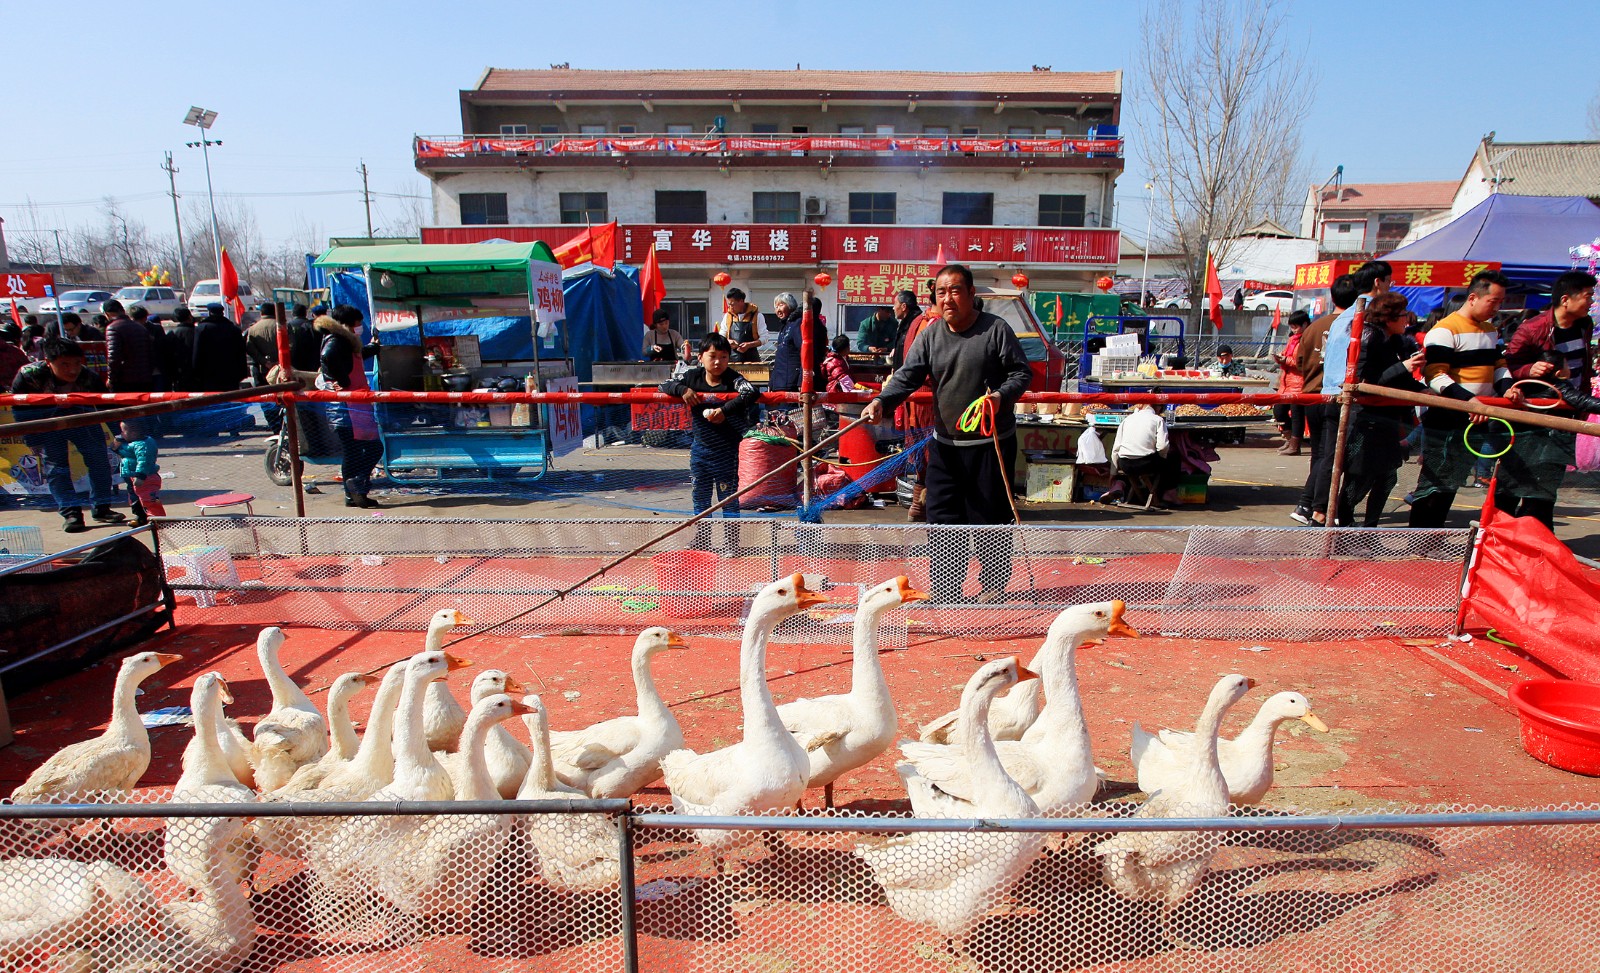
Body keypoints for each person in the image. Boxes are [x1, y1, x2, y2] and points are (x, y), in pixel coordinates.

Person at [862, 264, 1033, 604]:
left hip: (991, 444)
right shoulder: (931, 335)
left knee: (989, 516)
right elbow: (907, 376)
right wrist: (882, 400)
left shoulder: (995, 330)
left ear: (971, 294)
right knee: (942, 516)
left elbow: (1020, 373)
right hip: (945, 444)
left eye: (955, 290)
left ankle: (993, 588)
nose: (947, 298)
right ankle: (946, 590)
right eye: (941, 292)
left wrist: (999, 396)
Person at [1409, 270, 1524, 529]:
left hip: (1477, 417)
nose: (1497, 307)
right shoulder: (1444, 330)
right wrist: (1470, 401)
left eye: (1500, 301)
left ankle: (1433, 538)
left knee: (1452, 481)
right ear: (1473, 297)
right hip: (1447, 418)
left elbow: (1499, 365)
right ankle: (1421, 537)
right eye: (1493, 301)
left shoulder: (1491, 330)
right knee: (1434, 482)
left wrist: (1508, 388)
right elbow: (1435, 376)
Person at [1497, 270, 1597, 528]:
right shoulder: (1532, 328)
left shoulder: (1585, 325)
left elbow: (1583, 367)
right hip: (1532, 417)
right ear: (1566, 299)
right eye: (1588, 296)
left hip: (1566, 415)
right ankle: (1500, 536)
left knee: (1546, 484)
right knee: (1513, 483)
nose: (1591, 301)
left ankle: (1536, 539)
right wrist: (1528, 370)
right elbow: (1508, 366)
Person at [9, 338, 125, 532]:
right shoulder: (29, 376)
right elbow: (19, 409)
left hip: (83, 420)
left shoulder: (89, 378)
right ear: (48, 361)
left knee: (99, 461)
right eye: (64, 364)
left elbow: (108, 408)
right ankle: (71, 514)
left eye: (76, 363)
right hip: (48, 424)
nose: (72, 370)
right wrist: (32, 438)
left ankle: (102, 509)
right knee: (57, 469)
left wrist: (120, 435)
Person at [1337, 292, 1428, 527]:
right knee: (1358, 481)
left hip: (1389, 421)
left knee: (1387, 477)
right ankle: (1344, 528)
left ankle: (1370, 528)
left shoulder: (1396, 341)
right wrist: (1403, 367)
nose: (1407, 321)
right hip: (1367, 420)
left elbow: (1400, 380)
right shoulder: (1368, 338)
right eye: (1402, 316)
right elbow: (1364, 383)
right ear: (1388, 317)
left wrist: (1423, 390)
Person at [659, 332, 759, 519]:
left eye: (723, 357)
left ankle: (731, 545)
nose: (717, 362)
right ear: (700, 357)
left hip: (727, 452)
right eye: (712, 356)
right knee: (701, 498)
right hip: (700, 450)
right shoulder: (692, 377)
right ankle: (703, 540)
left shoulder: (733, 378)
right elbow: (663, 385)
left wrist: (724, 411)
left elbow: (751, 391)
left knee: (728, 499)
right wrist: (682, 390)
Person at [1288, 272, 1360, 525]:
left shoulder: (1314, 328)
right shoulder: (1351, 325)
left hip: (1311, 395)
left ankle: (1307, 504)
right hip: (1329, 396)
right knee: (1328, 456)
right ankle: (1314, 506)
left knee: (1320, 455)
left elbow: (1298, 361)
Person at [317, 306, 384, 508]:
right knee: (372, 448)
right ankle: (358, 483)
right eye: (358, 323)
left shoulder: (344, 341)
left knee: (353, 453)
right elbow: (328, 357)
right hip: (346, 407)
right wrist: (342, 381)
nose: (360, 327)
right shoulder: (336, 341)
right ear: (348, 323)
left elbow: (354, 356)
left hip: (352, 405)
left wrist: (372, 348)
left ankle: (353, 494)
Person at [1110, 403, 1171, 504]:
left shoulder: (1127, 420)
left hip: (1125, 464)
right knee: (1174, 458)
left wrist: (1113, 473)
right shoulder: (1157, 420)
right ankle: (1167, 494)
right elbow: (1163, 447)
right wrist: (1162, 458)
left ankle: (1136, 493)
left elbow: (1116, 449)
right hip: (1146, 464)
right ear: (1158, 407)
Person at [768, 291, 824, 393]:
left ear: (790, 306)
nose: (778, 310)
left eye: (781, 305)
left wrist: (802, 380)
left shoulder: (797, 324)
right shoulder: (784, 327)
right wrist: (772, 382)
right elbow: (779, 359)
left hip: (792, 382)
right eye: (776, 307)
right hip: (780, 383)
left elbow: (805, 352)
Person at [113, 419, 165, 525]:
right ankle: (140, 517)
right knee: (134, 498)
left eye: (123, 431)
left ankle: (158, 520)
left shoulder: (143, 445)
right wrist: (116, 447)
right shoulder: (131, 443)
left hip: (145, 478)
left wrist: (140, 476)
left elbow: (144, 461)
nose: (121, 434)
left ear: (133, 433)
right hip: (132, 476)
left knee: (149, 499)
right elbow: (126, 451)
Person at [1273, 310, 1310, 455]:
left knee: (1297, 414)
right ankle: (1289, 439)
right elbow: (1288, 354)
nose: (1293, 330)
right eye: (1292, 326)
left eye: (1296, 326)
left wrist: (1286, 360)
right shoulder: (1292, 339)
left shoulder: (1307, 340)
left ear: (1305, 324)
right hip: (1286, 381)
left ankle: (1295, 445)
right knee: (1279, 411)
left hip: (1299, 383)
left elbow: (1304, 363)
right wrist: (1280, 357)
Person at [190, 303, 248, 392]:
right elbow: (241, 352)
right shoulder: (233, 329)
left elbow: (197, 352)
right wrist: (242, 373)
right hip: (230, 372)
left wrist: (196, 372)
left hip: (208, 373)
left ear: (209, 313)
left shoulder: (202, 329)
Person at [102, 299, 155, 393]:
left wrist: (111, 378)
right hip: (145, 377)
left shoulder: (112, 328)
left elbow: (113, 357)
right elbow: (150, 353)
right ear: (122, 310)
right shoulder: (140, 327)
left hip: (125, 380)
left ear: (107, 314)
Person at [715, 288, 765, 363]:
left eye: (732, 304)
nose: (730, 307)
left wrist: (749, 345)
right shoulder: (727, 317)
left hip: (752, 360)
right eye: (729, 304)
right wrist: (728, 341)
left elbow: (765, 337)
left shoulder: (757, 316)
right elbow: (721, 336)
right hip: (731, 360)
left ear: (741, 301)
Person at [245, 302, 282, 384]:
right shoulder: (282, 326)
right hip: (281, 368)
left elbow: (250, 348)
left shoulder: (252, 329)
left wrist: (264, 362)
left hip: (262, 369)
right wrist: (279, 361)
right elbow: (291, 345)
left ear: (261, 313)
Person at [163, 306, 198, 391]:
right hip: (198, 372)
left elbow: (167, 355)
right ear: (189, 316)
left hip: (179, 373)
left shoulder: (172, 334)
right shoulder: (198, 332)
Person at [889, 290, 922, 370]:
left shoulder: (917, 323)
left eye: (895, 304)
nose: (893, 308)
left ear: (903, 307)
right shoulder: (905, 323)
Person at [283, 303, 321, 373]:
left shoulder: (288, 326)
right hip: (311, 361)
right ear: (305, 313)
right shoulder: (312, 325)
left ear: (292, 313)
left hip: (294, 362)